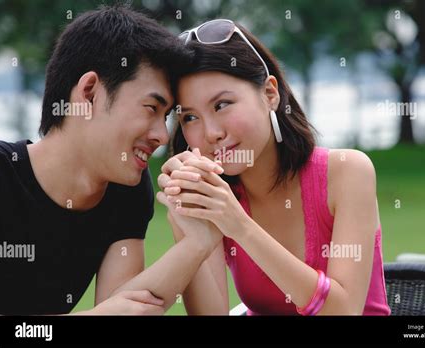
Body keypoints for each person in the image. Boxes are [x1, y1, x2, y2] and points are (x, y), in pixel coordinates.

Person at [0, 5, 223, 315]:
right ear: (89, 93)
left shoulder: (125, 189)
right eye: (151, 108)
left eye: (167, 115)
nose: (162, 135)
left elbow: (123, 307)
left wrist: (197, 242)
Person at [157, 19, 391, 315]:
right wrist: (188, 228)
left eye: (221, 105)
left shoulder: (347, 172)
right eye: (190, 117)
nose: (211, 133)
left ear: (270, 94)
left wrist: (239, 225)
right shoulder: (217, 198)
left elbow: (342, 311)